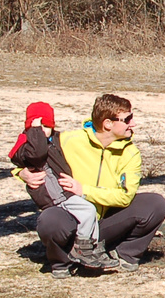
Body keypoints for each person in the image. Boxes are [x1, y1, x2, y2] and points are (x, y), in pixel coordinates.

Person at [19, 94, 165, 277]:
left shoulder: (131, 153)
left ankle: (122, 253)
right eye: (127, 119)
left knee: (155, 204)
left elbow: (125, 196)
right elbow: (31, 152)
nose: (133, 123)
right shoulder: (69, 140)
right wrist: (20, 173)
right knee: (50, 219)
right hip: (73, 220)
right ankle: (62, 261)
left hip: (105, 223)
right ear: (108, 124)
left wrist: (84, 191)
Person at [8, 101, 108, 269]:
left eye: (47, 126)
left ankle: (91, 247)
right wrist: (35, 132)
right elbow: (37, 155)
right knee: (85, 211)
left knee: (88, 211)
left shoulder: (54, 140)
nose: (43, 130)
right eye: (39, 126)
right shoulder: (27, 146)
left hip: (64, 192)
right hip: (53, 197)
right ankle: (82, 249)